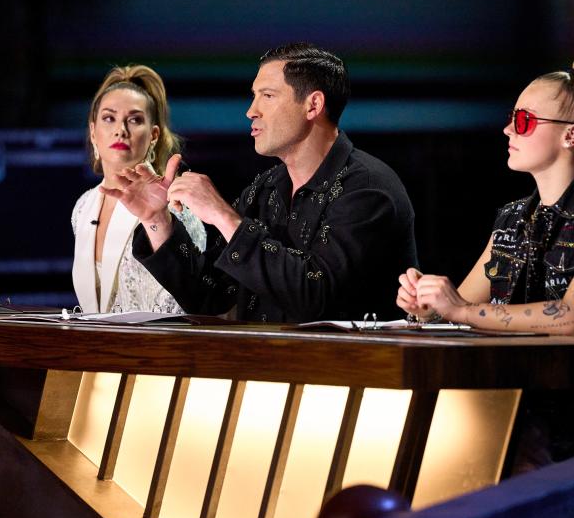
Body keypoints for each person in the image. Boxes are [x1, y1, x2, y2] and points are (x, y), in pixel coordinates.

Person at [103, 43, 417, 322]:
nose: (251, 111)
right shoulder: (265, 189)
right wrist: (158, 220)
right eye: (254, 97)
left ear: (313, 105)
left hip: (353, 380)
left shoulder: (368, 188)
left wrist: (225, 217)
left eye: (267, 96)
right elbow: (210, 297)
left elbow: (316, 299)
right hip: (271, 377)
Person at [397, 57, 574, 337]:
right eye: (512, 118)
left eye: (524, 120)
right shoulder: (513, 219)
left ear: (571, 135)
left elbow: (571, 320)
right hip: (521, 377)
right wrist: (431, 308)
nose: (508, 129)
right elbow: (461, 307)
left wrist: (458, 310)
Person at [71, 65, 205, 313]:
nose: (120, 130)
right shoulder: (83, 206)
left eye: (134, 120)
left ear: (153, 135)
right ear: (93, 132)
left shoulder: (175, 205)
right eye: (109, 118)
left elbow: (192, 301)